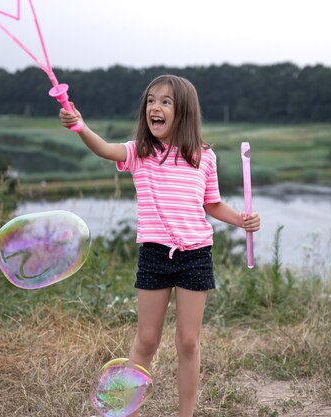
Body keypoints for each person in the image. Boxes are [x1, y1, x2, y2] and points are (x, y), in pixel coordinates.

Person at [60, 74, 260, 417]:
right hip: (154, 255)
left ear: (183, 111)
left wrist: (241, 220)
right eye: (151, 100)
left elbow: (211, 204)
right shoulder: (140, 152)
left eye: (165, 101)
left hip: (196, 255)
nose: (156, 107)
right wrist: (80, 126)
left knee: (188, 341)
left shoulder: (204, 156)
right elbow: (105, 149)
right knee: (147, 339)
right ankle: (126, 411)